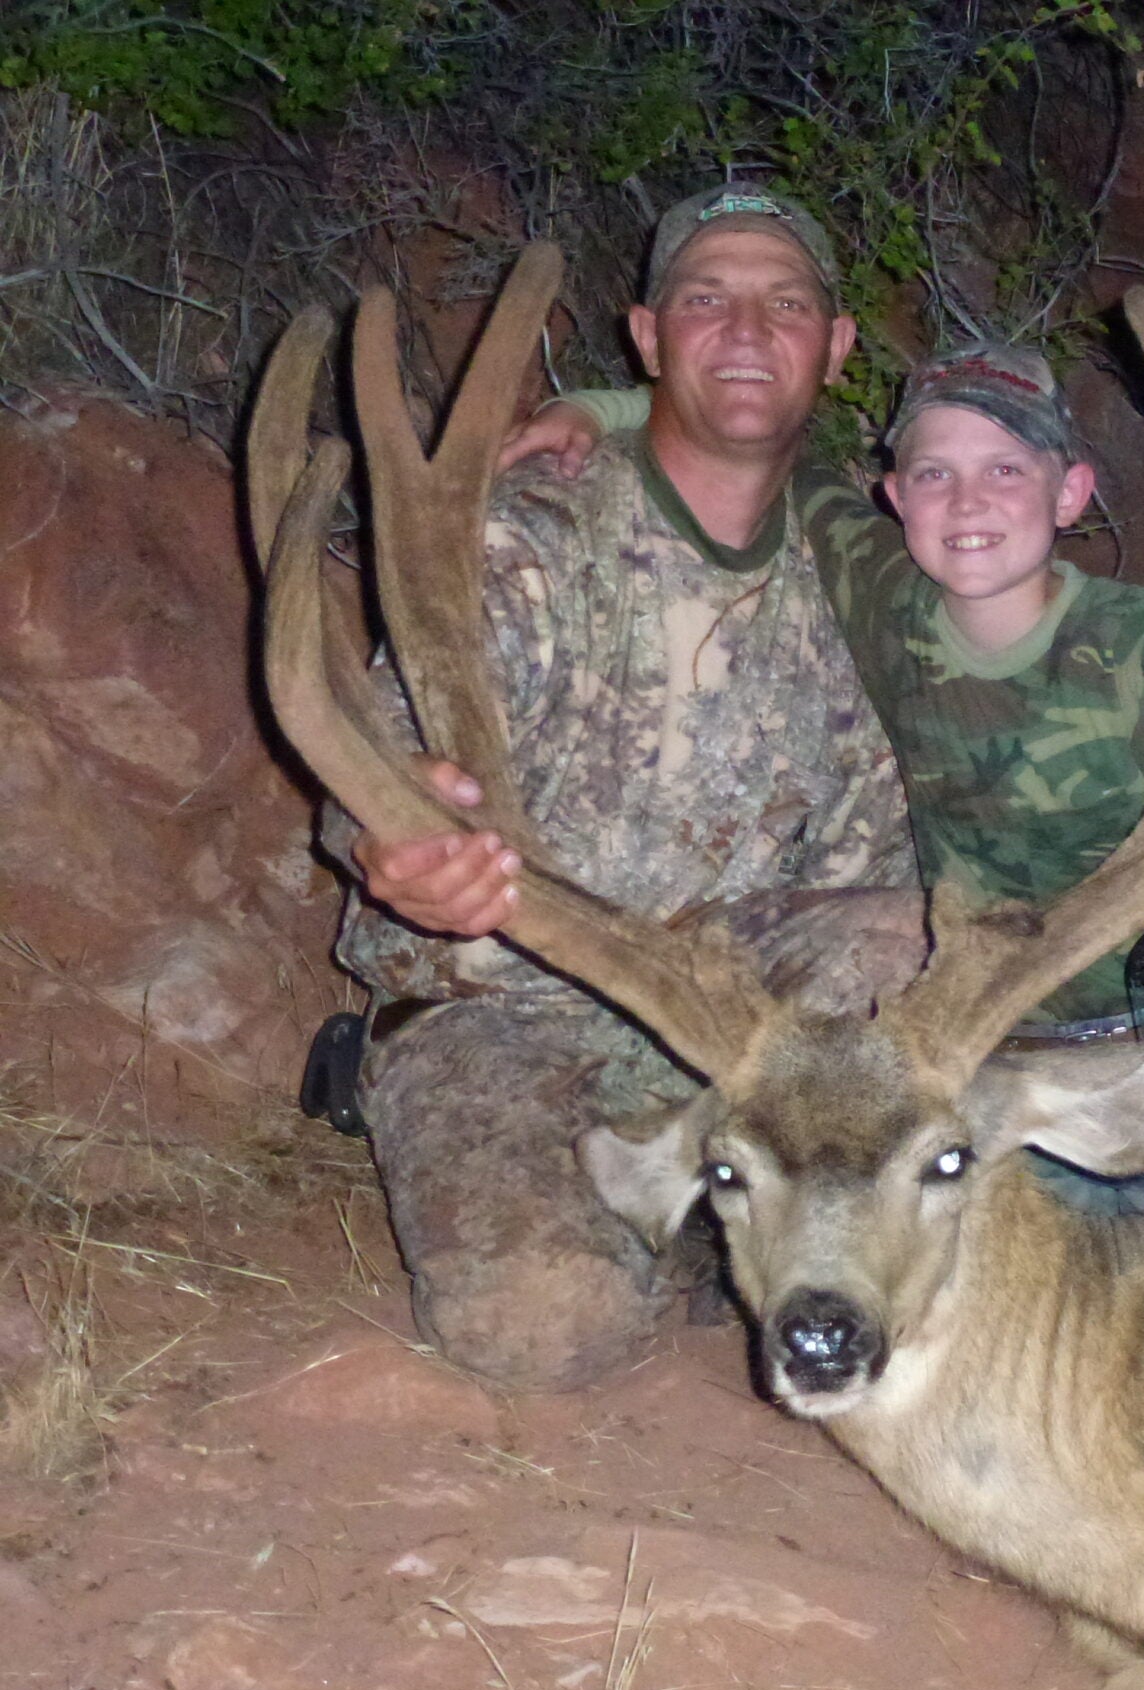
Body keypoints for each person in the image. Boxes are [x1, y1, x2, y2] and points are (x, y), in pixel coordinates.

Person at [515, 337, 1144, 1207]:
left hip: (1140, 1041)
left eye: (1005, 470)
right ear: (895, 499)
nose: (967, 501)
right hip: (977, 1042)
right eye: (932, 475)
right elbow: (784, 463)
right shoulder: (889, 598)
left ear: (1069, 493)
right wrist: (599, 410)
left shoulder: (1140, 652)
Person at [330, 187, 922, 1391]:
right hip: (499, 1018)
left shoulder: (861, 586)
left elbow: (874, 891)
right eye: (707, 300)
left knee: (908, 940)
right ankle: (651, 1228)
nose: (747, 331)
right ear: (648, 338)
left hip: (722, 1024)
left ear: (836, 346)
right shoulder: (527, 540)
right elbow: (380, 767)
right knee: (548, 1326)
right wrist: (399, 843)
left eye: (786, 304)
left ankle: (721, 1219)